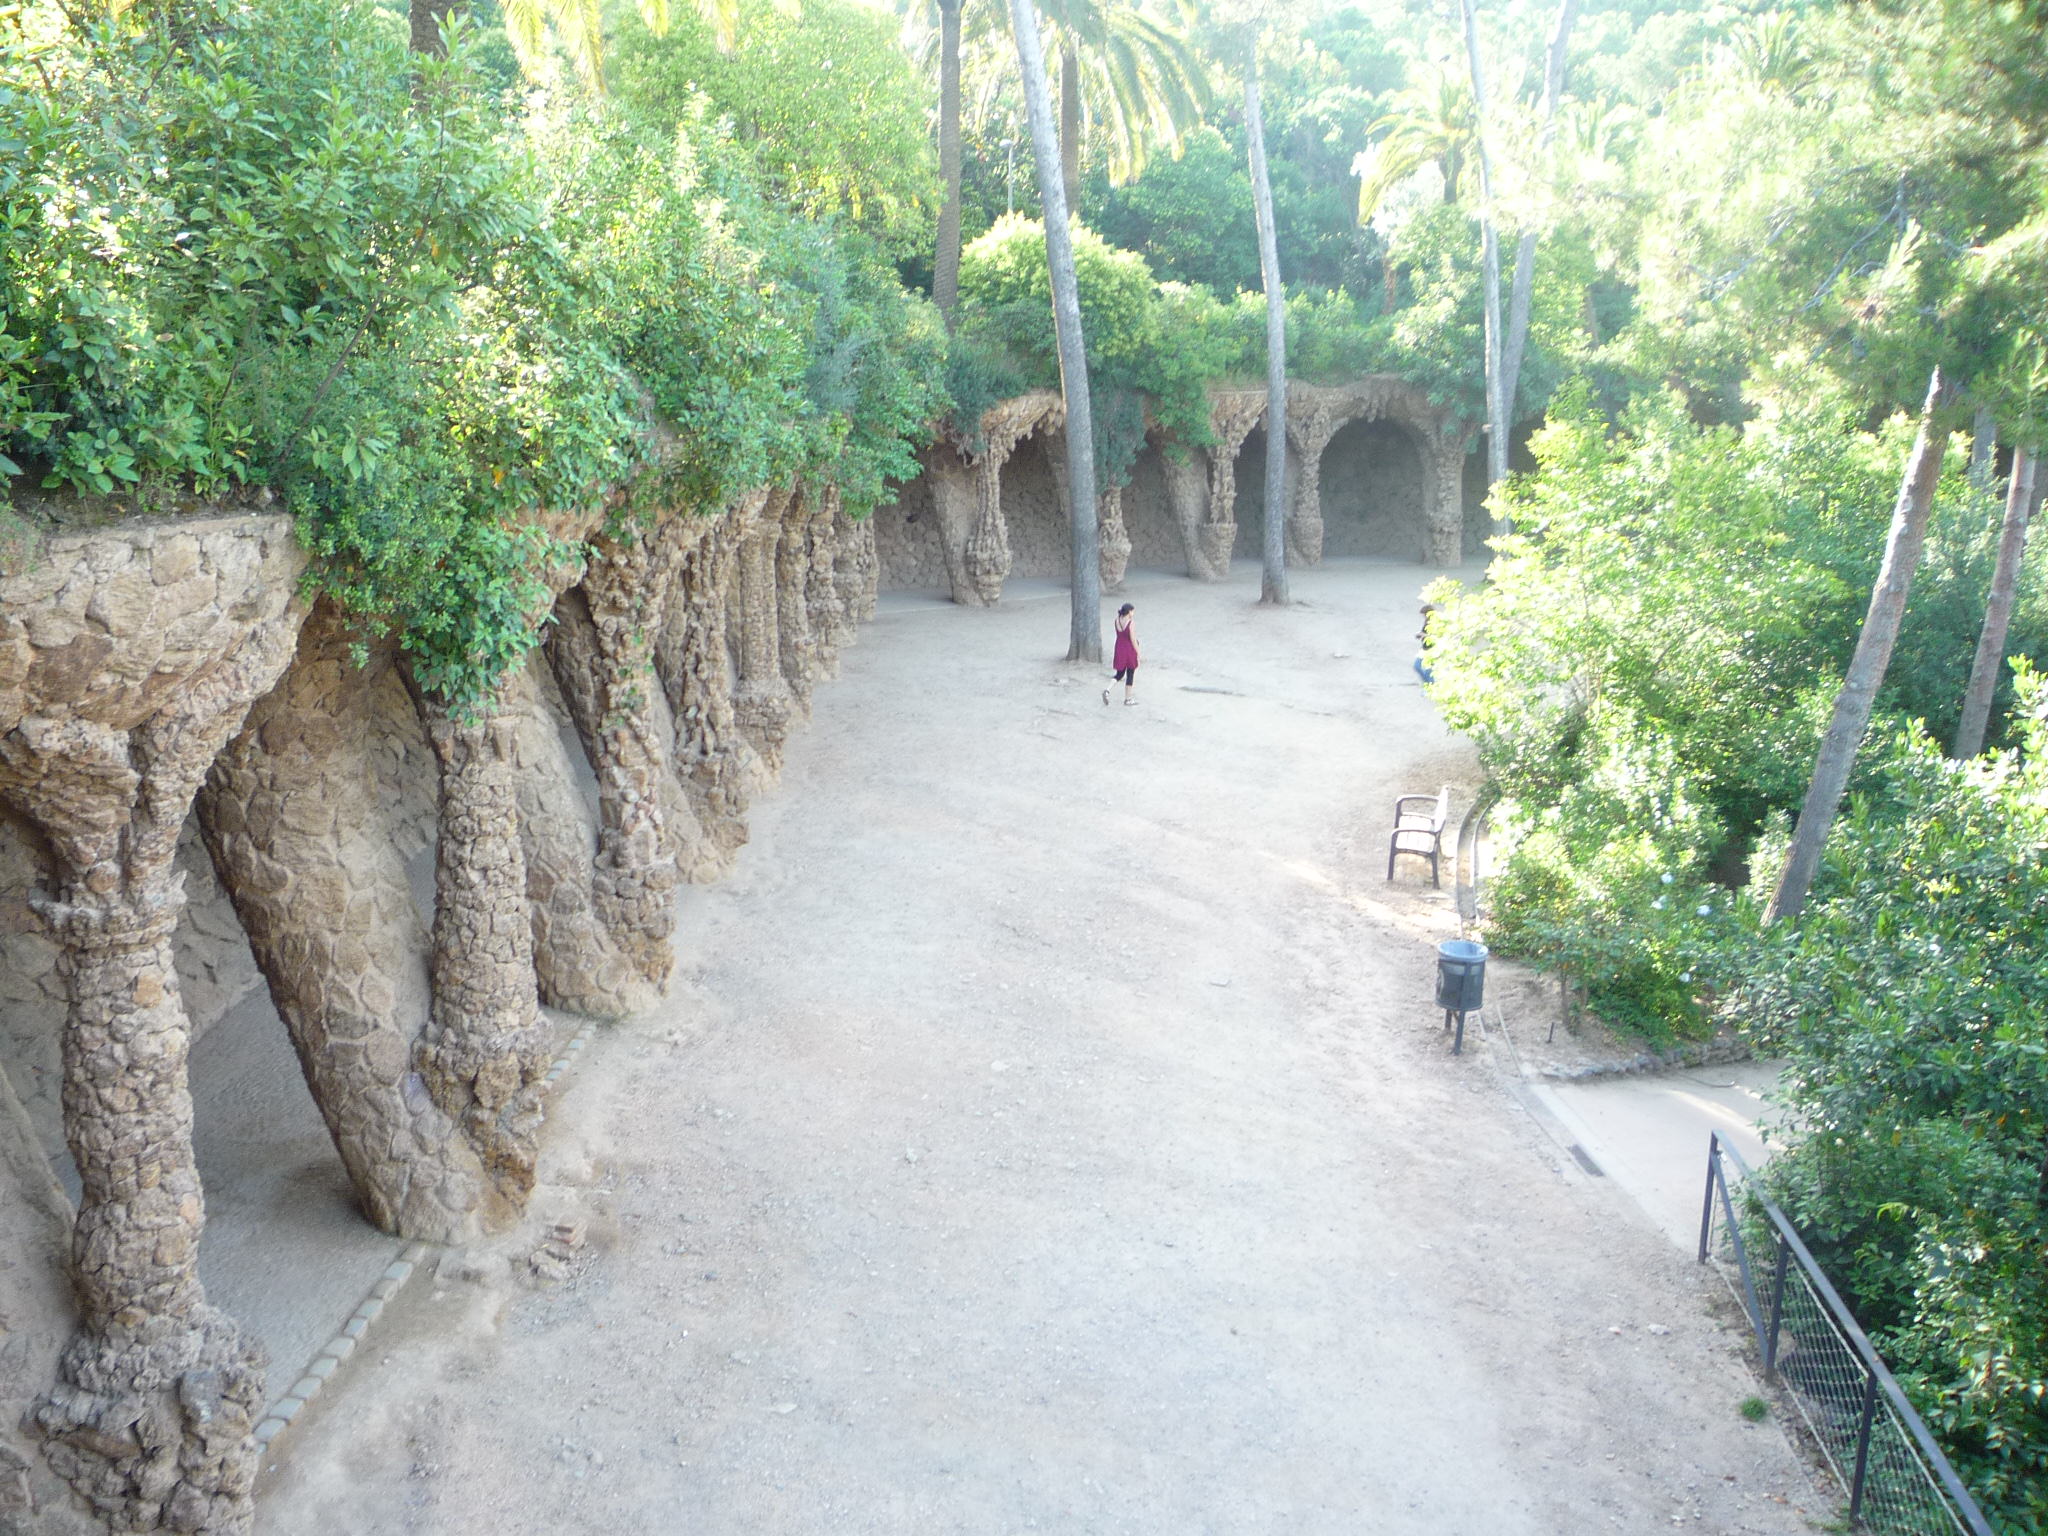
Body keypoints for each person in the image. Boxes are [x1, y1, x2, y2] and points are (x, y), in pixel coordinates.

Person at [1104, 602, 1139, 706]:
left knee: (1119, 673)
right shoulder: (1131, 623)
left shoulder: (1117, 620)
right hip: (1129, 649)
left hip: (1119, 647)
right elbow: (1132, 639)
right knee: (1130, 673)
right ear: (1129, 612)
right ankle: (1128, 699)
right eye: (1132, 611)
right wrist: (1138, 652)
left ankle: (1107, 690)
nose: (1133, 613)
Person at [1413, 602, 1437, 685]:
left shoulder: (1435, 623)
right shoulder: (1427, 622)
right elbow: (1424, 633)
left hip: (1432, 649)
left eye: (1424, 615)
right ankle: (1428, 684)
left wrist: (1423, 635)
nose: (1424, 617)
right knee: (1417, 666)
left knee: (1428, 669)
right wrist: (1420, 635)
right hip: (1424, 648)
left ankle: (1430, 685)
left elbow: (1435, 636)